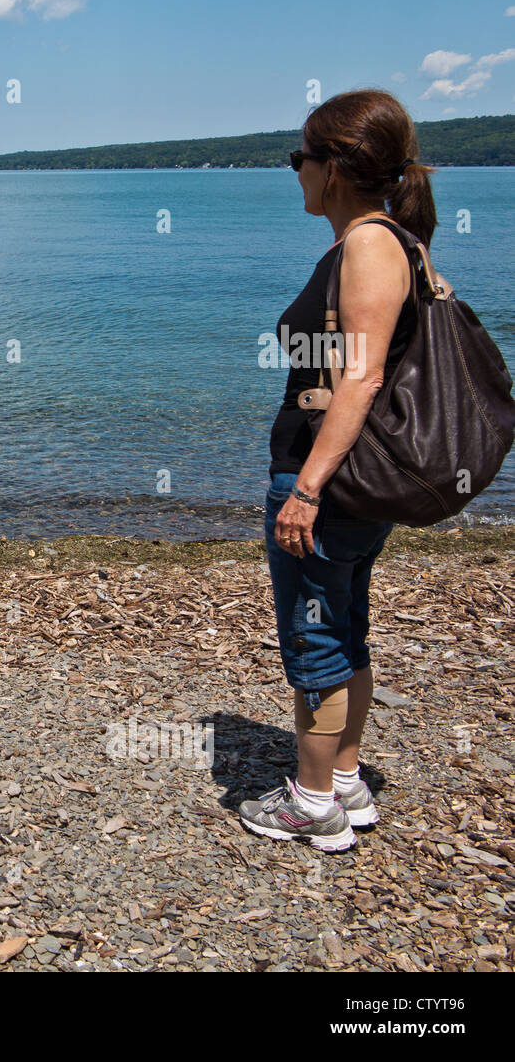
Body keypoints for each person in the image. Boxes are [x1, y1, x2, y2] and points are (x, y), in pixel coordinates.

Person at [241, 89, 438, 851]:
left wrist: (308, 490)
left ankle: (312, 799)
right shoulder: (390, 241)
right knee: (346, 621)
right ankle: (346, 779)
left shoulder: (367, 244)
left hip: (327, 482)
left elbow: (359, 378)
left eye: (300, 159)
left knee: (315, 635)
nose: (294, 173)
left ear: (332, 168)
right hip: (358, 483)